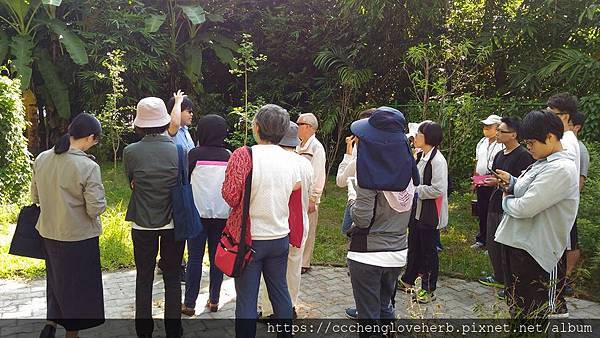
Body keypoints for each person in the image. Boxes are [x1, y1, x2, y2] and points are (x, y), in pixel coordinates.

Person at [222, 104, 299, 338]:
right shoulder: (292, 160)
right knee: (280, 293)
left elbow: (230, 195)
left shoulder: (244, 155)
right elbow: (294, 189)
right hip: (279, 236)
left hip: (250, 239)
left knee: (246, 299)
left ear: (257, 128)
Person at [494, 110, 579, 319]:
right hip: (519, 244)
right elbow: (527, 189)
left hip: (535, 254)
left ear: (550, 137)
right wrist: (513, 183)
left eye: (531, 142)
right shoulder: (543, 161)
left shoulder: (561, 168)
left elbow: (525, 207)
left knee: (534, 314)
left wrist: (506, 200)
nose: (528, 147)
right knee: (518, 308)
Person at [32, 113, 106, 338]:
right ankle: (71, 335)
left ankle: (50, 325)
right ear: (90, 137)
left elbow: (35, 197)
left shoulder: (42, 158)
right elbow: (95, 208)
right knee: (76, 290)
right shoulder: (88, 166)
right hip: (78, 237)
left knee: (56, 282)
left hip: (48, 232)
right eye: (96, 140)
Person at [345, 107, 413, 333]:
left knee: (369, 320)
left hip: (367, 255)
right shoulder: (410, 169)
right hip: (397, 252)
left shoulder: (369, 174)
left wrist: (352, 198)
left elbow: (362, 220)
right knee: (385, 308)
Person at [124, 94, 185, 338]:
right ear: (164, 121)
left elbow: (131, 183)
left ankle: (144, 331)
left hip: (142, 223)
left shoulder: (130, 151)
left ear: (139, 124)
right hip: (173, 223)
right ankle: (173, 330)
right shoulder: (179, 150)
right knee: (171, 278)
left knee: (144, 277)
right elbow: (183, 182)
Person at [259, 121, 313, 320]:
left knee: (271, 272)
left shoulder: (274, 161)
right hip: (300, 224)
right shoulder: (305, 163)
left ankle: (269, 310)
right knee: (293, 269)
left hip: (277, 223)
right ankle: (289, 306)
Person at [477, 117, 534, 300]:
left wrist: (503, 183)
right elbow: (496, 177)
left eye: (502, 131)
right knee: (493, 242)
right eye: (499, 130)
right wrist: (491, 181)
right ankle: (499, 277)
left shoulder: (523, 156)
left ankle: (510, 285)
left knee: (507, 247)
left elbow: (521, 184)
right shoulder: (500, 155)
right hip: (496, 202)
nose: (498, 133)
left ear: (514, 135)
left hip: (510, 206)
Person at [181, 115, 231, 316]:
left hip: (197, 214)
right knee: (217, 258)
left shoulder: (194, 154)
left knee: (194, 258)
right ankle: (214, 300)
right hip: (222, 215)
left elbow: (185, 179)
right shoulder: (229, 155)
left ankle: (189, 303)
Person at [400, 121, 448, 304]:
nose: (415, 137)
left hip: (430, 213)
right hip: (417, 210)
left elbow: (438, 189)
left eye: (419, 134)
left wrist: (416, 190)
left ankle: (429, 289)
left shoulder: (438, 160)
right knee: (414, 245)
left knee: (429, 251)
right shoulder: (421, 156)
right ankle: (408, 280)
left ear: (428, 138)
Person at [546, 92, 580, 316]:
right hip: (556, 209)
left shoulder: (566, 141)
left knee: (554, 260)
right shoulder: (565, 139)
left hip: (558, 211)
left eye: (551, 115)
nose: (547, 119)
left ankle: (556, 307)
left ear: (565, 116)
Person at [163, 94, 195, 280]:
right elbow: (173, 122)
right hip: (174, 183)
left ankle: (168, 263)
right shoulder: (171, 129)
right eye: (188, 111)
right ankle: (176, 265)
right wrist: (176, 102)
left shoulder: (185, 131)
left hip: (184, 182)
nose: (192, 114)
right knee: (177, 225)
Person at [297, 113, 326, 274]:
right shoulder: (298, 145)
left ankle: (304, 262)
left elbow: (318, 175)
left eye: (299, 124)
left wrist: (313, 198)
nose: (296, 127)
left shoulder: (316, 148)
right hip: (296, 194)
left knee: (308, 229)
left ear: (308, 126)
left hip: (308, 197)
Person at [564, 111, 589, 296]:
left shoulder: (579, 149)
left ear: (576, 127)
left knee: (571, 242)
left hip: (569, 204)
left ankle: (566, 278)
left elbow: (580, 181)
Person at [471, 114, 504, 250]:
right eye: (485, 126)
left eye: (489, 127)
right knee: (482, 210)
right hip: (481, 181)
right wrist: (474, 180)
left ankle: (493, 241)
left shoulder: (501, 144)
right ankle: (482, 238)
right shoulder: (482, 142)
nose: (486, 129)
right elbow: (478, 161)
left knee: (494, 212)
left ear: (497, 128)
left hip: (495, 182)